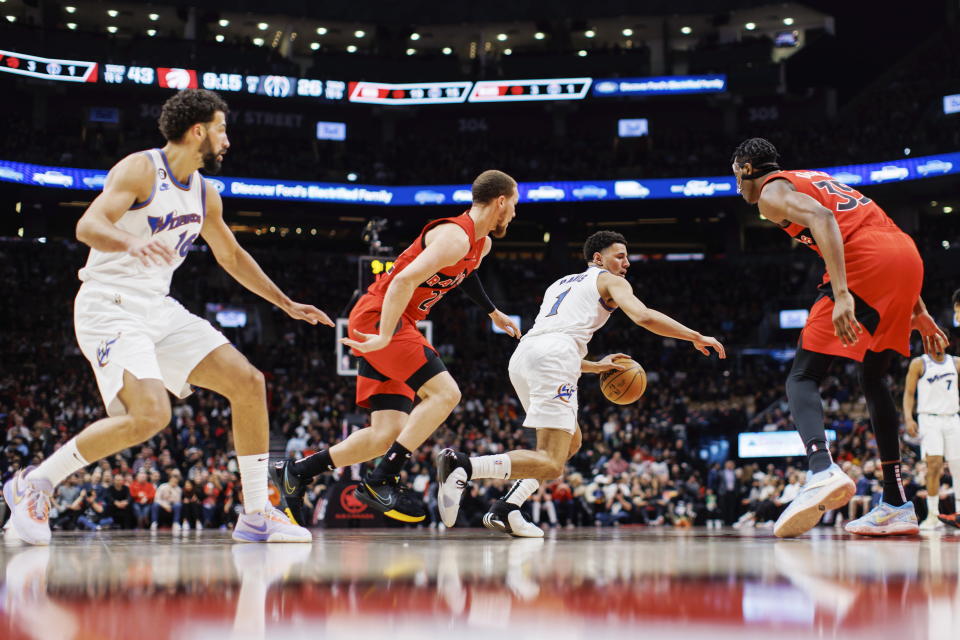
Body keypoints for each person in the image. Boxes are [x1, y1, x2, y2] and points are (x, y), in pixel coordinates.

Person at [2, 89, 329, 545]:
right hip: (109, 304)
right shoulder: (141, 169)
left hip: (158, 308)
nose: (226, 140)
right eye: (221, 129)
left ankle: (256, 511)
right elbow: (88, 226)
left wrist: (285, 303)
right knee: (152, 415)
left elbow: (231, 257)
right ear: (199, 131)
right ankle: (34, 484)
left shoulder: (205, 193)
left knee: (249, 383)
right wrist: (131, 242)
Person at [271, 170, 521, 524]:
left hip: (391, 321)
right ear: (500, 201)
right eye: (513, 204)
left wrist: (493, 311)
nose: (514, 212)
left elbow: (465, 274)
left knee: (384, 434)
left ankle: (297, 471)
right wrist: (386, 335)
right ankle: (381, 478)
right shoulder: (455, 236)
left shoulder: (480, 244)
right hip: (381, 317)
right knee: (446, 394)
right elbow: (402, 280)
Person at [435, 231, 725, 536]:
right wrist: (695, 336)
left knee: (571, 442)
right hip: (554, 357)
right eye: (620, 255)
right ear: (598, 258)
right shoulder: (611, 281)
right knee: (551, 462)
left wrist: (595, 366)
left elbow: (552, 339)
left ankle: (507, 507)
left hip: (524, 356)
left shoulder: (559, 284)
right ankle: (465, 467)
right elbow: (643, 316)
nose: (626, 262)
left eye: (627, 256)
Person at [731, 137, 948, 538]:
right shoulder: (813, 177)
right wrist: (921, 313)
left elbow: (824, 221)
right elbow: (876, 232)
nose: (737, 187)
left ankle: (820, 470)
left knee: (802, 375)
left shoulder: (770, 193)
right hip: (906, 257)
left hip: (865, 261)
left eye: (736, 176)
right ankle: (896, 502)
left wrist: (843, 294)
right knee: (874, 377)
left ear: (746, 169)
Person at [903, 291, 960, 529]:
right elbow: (908, 393)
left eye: (941, 337)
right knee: (934, 465)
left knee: (958, 465)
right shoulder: (919, 363)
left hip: (952, 417)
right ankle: (932, 516)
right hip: (929, 419)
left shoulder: (956, 363)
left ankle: (958, 513)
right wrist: (908, 417)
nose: (938, 340)